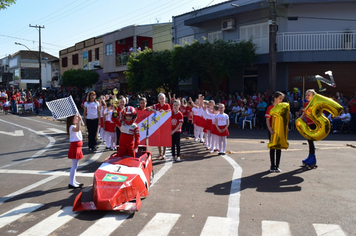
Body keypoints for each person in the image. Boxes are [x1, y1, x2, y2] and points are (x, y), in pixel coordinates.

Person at [265, 91, 285, 172]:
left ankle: (277, 165)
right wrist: (269, 128)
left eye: (282, 99)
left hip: (279, 130)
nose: (281, 100)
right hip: (272, 130)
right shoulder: (270, 108)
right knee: (272, 147)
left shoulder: (282, 108)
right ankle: (272, 165)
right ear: (275, 98)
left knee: (279, 148)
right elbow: (267, 119)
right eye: (280, 98)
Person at [299, 89, 318, 168]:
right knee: (310, 142)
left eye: (308, 95)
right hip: (309, 125)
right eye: (306, 95)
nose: (307, 96)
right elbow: (303, 115)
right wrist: (299, 121)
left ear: (313, 96)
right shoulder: (306, 104)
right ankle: (310, 157)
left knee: (311, 142)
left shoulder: (315, 104)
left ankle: (313, 159)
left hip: (314, 125)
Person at [150, 92, 171, 159]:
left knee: (164, 139)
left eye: (163, 98)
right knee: (158, 140)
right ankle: (160, 153)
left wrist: (164, 111)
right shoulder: (156, 105)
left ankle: (164, 154)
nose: (162, 100)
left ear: (165, 99)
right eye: (160, 98)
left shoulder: (167, 105)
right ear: (158, 99)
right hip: (157, 125)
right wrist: (153, 110)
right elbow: (148, 108)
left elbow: (170, 112)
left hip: (165, 125)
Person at [66, 114, 84, 189]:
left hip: (77, 147)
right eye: (75, 118)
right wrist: (79, 121)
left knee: (76, 165)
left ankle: (73, 181)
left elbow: (79, 129)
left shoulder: (75, 126)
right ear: (71, 119)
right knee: (74, 166)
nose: (77, 119)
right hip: (75, 147)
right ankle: (71, 182)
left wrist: (79, 121)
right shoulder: (72, 127)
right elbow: (77, 129)